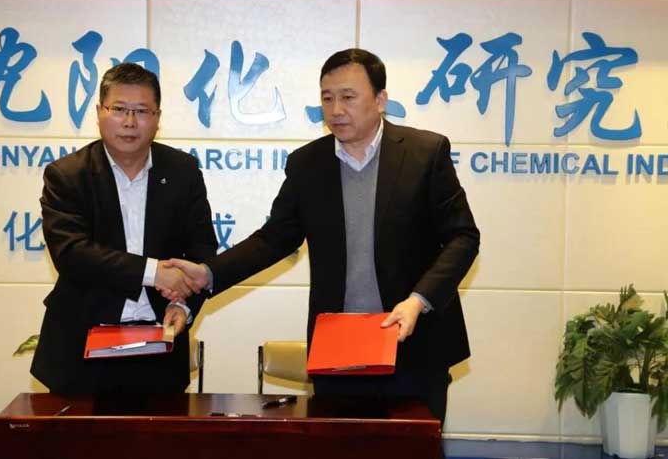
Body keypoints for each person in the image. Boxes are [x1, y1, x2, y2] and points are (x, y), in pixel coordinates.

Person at [168, 48, 479, 425]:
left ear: (380, 99)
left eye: (348, 97)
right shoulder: (308, 164)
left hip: (415, 344)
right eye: (327, 98)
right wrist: (209, 273)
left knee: (411, 449)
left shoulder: (425, 153)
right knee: (339, 448)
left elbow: (463, 237)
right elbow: (274, 239)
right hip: (339, 351)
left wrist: (419, 300)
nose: (336, 110)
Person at [31, 63, 217, 396]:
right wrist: (154, 273)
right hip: (81, 349)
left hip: (160, 348)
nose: (130, 122)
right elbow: (71, 253)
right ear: (99, 113)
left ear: (158, 118)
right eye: (119, 109)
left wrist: (183, 305)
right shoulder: (67, 175)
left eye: (142, 111)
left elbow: (202, 249)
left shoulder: (182, 171)